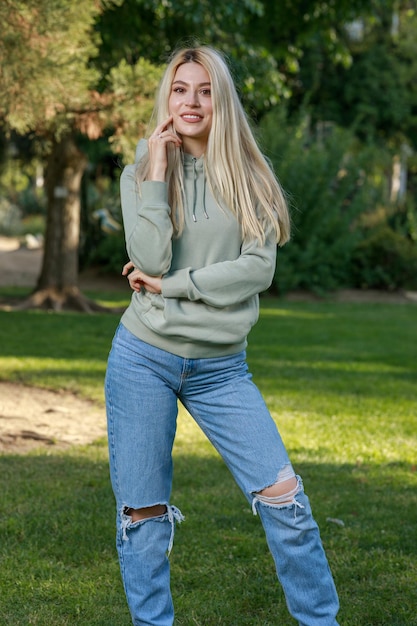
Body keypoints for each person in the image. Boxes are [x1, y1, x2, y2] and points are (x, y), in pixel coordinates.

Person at [105, 45, 340, 626]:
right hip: (144, 358)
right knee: (144, 515)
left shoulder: (247, 173)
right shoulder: (140, 169)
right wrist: (157, 171)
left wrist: (172, 285)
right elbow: (148, 254)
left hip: (221, 368)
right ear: (167, 97)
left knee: (287, 502)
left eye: (205, 90)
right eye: (181, 89)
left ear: (221, 100)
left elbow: (255, 270)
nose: (191, 102)